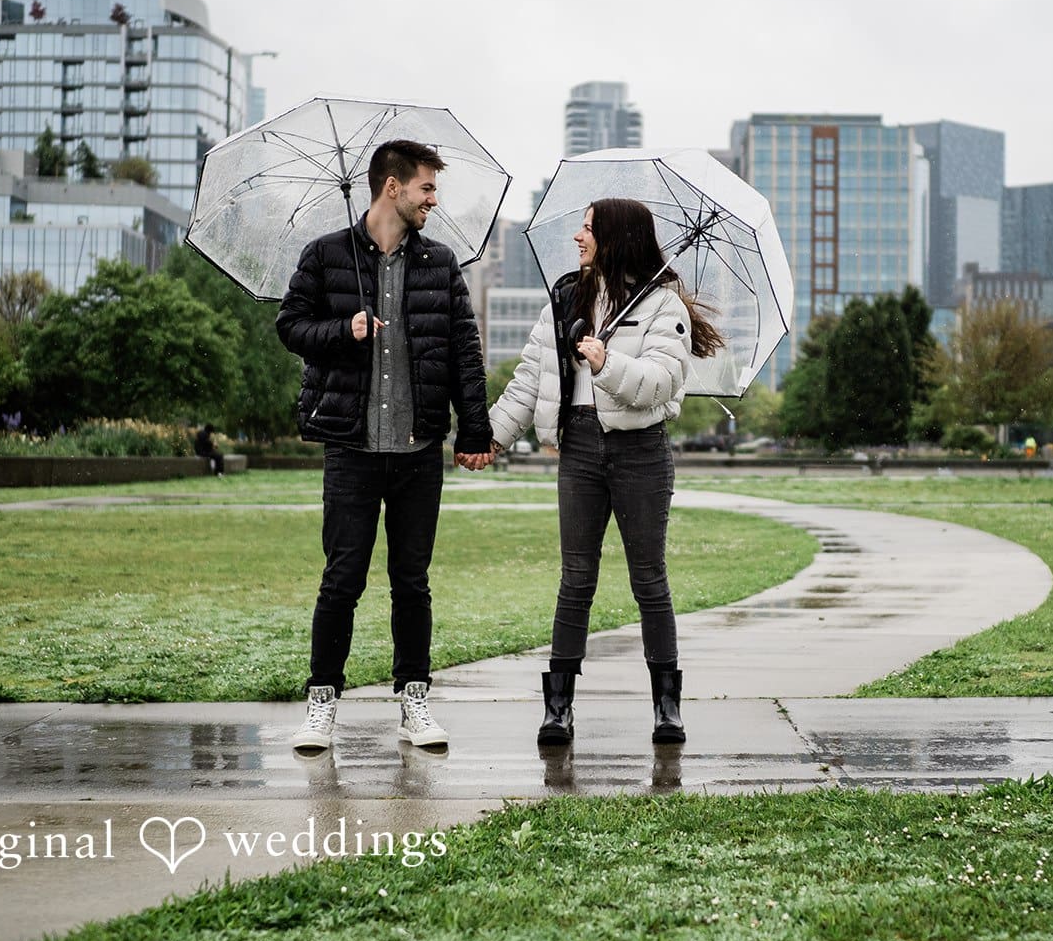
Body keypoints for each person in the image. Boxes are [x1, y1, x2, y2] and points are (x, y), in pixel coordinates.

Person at [276, 139, 493, 757]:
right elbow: (289, 327)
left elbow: (464, 354)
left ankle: (414, 702)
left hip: (418, 447)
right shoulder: (324, 256)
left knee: (411, 581)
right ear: (391, 187)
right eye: (427, 188)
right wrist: (343, 331)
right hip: (351, 447)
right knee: (341, 579)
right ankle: (322, 703)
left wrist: (473, 430)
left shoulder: (440, 263)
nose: (433, 200)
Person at [487, 197, 722, 746]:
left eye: (589, 229)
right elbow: (531, 377)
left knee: (648, 578)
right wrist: (493, 437)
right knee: (576, 580)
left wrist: (604, 362)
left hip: (640, 451)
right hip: (580, 449)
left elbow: (661, 382)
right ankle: (559, 706)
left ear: (616, 238)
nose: (578, 237)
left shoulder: (664, 306)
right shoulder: (566, 296)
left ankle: (667, 706)